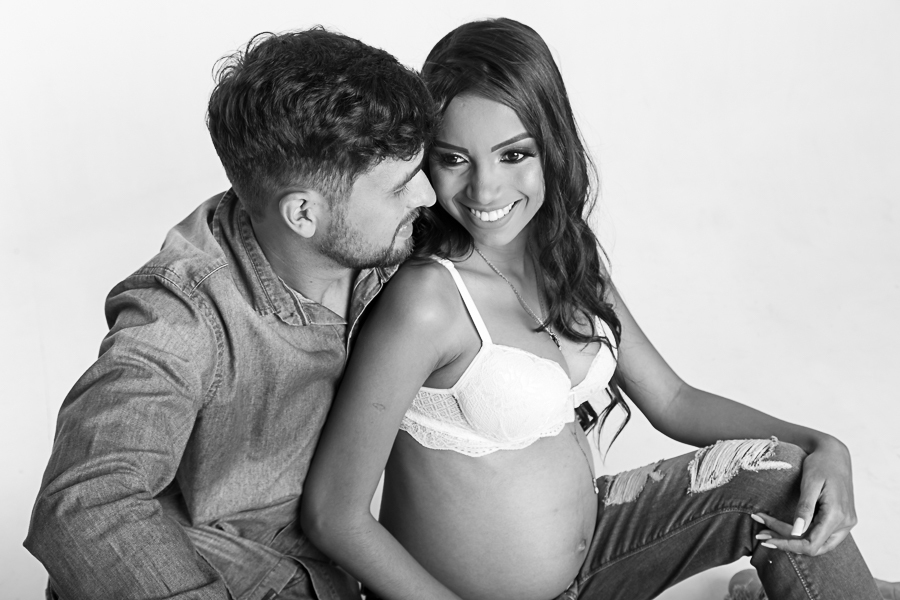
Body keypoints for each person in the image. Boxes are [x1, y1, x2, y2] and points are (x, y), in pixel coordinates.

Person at [300, 18, 887, 600]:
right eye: (455, 159)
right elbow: (334, 514)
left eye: (513, 155)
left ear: (551, 145)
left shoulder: (564, 256)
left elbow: (672, 400)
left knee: (787, 478)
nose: (484, 191)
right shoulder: (427, 300)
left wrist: (823, 444)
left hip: (603, 552)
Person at [24, 28, 435, 600]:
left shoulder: (381, 240)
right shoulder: (182, 316)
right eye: (400, 188)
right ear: (302, 214)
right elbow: (85, 501)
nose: (427, 197)